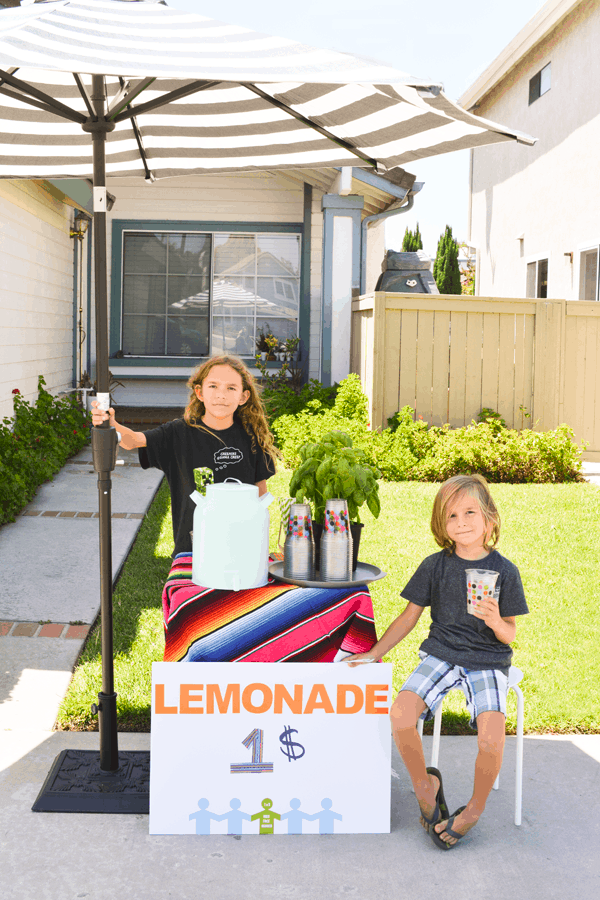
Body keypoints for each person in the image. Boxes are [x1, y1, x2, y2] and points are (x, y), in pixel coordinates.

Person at [346, 473, 528, 849]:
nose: (461, 522)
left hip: (488, 660)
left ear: (489, 518)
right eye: (451, 516)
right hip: (442, 653)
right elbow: (409, 617)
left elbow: (510, 634)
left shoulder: (505, 571)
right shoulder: (435, 566)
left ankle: (473, 810)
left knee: (491, 740)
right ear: (440, 524)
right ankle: (425, 787)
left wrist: (495, 620)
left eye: (469, 512)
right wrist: (374, 653)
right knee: (400, 714)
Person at [91, 355, 279, 558]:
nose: (221, 395)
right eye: (213, 386)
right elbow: (133, 441)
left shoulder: (253, 437)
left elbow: (261, 496)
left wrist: (259, 543)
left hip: (242, 546)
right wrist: (111, 423)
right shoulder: (178, 433)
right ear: (199, 392)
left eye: (231, 388)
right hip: (192, 548)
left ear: (243, 397)